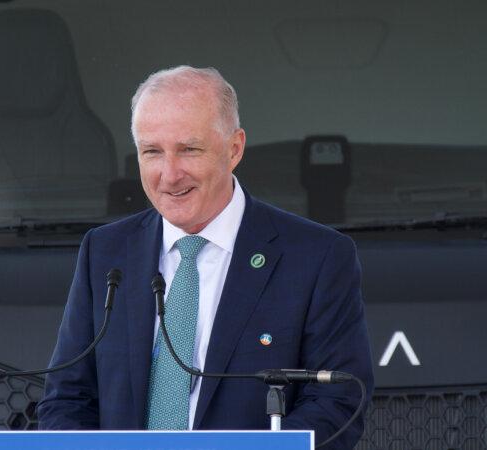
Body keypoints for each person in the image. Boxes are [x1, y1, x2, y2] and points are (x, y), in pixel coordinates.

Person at [38, 66, 374, 448]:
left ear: (234, 149)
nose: (169, 174)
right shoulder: (105, 252)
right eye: (152, 152)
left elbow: (335, 404)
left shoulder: (317, 257)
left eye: (189, 149)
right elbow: (65, 401)